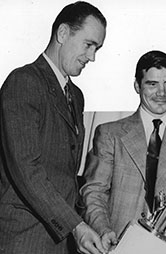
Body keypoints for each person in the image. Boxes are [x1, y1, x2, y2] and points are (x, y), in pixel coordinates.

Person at [80, 50, 166, 254]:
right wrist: (103, 229)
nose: (162, 93)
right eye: (152, 84)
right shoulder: (110, 134)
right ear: (137, 85)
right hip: (118, 244)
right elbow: (94, 191)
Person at [0, 2, 107, 254]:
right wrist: (76, 226)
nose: (92, 57)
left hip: (62, 241)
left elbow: (66, 177)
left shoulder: (76, 96)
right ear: (62, 33)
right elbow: (27, 170)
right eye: (88, 44)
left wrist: (93, 226)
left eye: (97, 49)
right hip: (25, 240)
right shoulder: (24, 81)